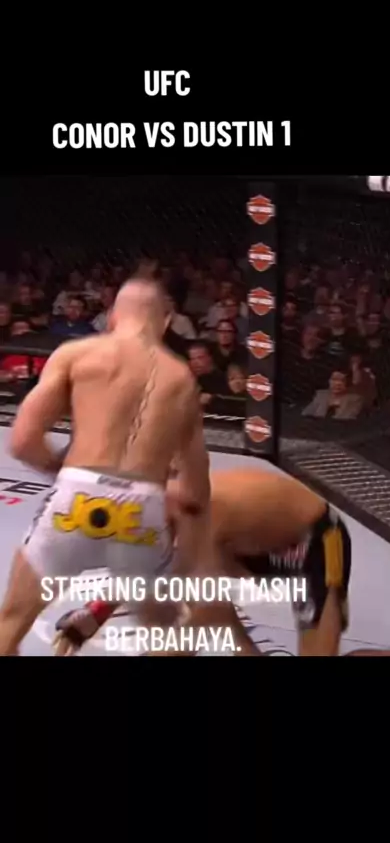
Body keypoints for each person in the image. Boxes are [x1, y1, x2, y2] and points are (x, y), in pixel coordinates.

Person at [0, 277, 211, 656]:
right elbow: (195, 491)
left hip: (74, 499)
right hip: (143, 507)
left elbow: (23, 441)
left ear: (113, 315)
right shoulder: (182, 379)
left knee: (11, 622)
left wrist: (63, 472)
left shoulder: (77, 354)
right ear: (165, 321)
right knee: (171, 634)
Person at [53, 468, 390, 657]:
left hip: (315, 543)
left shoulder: (198, 513)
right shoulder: (148, 515)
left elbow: (203, 618)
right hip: (245, 550)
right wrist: (96, 612)